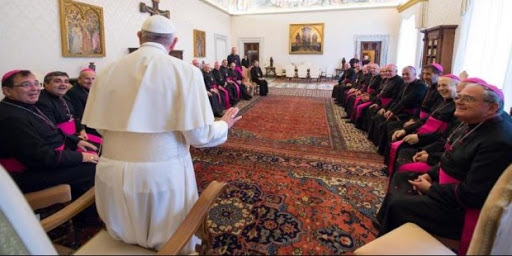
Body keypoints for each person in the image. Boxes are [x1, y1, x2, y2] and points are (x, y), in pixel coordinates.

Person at [81, 15, 242, 252]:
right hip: (162, 175)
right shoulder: (185, 72)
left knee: (123, 233)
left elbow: (98, 126)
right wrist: (223, 125)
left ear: (139, 37)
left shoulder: (106, 71)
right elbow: (200, 136)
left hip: (111, 173)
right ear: (174, 42)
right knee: (169, 236)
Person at [375, 78, 512, 243]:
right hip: (444, 183)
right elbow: (452, 155)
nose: (458, 101)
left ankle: (391, 241)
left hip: (458, 208)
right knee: (401, 178)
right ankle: (383, 223)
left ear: (492, 107)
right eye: (459, 97)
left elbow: (472, 194)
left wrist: (431, 188)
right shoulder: (476, 122)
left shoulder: (498, 141)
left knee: (399, 204)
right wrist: (431, 174)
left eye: (468, 99)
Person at [0, 70, 97, 199]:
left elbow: (51, 129)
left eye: (36, 83)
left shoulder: (25, 106)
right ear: (7, 91)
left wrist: (75, 141)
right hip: (24, 174)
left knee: (93, 152)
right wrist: (80, 157)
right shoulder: (11, 118)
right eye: (26, 85)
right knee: (91, 169)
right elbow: (40, 157)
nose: (35, 89)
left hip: (45, 161)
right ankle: (83, 218)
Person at [36, 71, 89, 142]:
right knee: (96, 150)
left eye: (66, 81)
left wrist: (82, 130)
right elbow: (51, 130)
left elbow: (75, 116)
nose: (63, 84)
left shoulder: (65, 97)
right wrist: (76, 140)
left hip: (73, 135)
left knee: (103, 143)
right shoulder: (42, 102)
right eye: (58, 81)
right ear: (46, 84)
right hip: (60, 141)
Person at [65, 68, 102, 144]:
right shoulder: (74, 93)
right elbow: (77, 114)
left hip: (94, 123)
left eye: (93, 79)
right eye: (87, 79)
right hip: (86, 127)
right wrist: (81, 130)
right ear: (79, 79)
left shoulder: (92, 89)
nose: (91, 81)